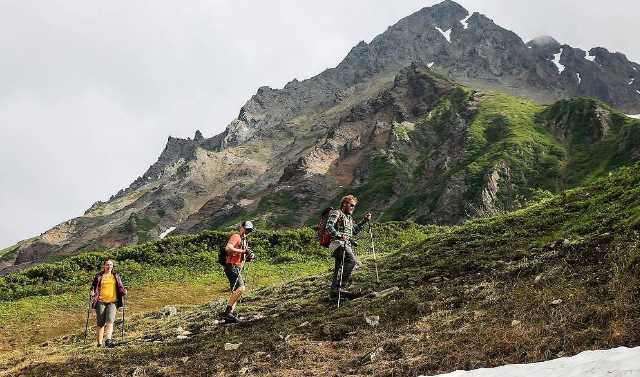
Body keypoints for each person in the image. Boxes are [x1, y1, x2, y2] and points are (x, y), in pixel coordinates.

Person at [326, 195, 372, 301]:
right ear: (344, 204)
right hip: (338, 243)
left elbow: (354, 231)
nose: (353, 208)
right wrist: (339, 236)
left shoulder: (349, 218)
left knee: (339, 268)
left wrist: (364, 221)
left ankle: (334, 295)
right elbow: (329, 226)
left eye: (354, 206)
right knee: (352, 261)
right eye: (351, 205)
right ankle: (340, 288)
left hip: (345, 245)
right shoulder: (337, 213)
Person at [221, 220, 255, 323]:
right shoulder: (236, 236)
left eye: (250, 230)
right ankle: (227, 312)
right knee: (241, 288)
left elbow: (244, 253)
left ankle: (229, 316)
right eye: (247, 229)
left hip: (237, 267)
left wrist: (250, 255)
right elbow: (228, 248)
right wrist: (243, 251)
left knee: (235, 292)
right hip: (232, 265)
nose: (248, 232)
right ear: (243, 227)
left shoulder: (245, 241)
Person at [89, 259, 127, 348]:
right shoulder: (98, 276)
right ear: (104, 266)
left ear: (112, 266)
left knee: (110, 320)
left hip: (113, 302)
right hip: (101, 301)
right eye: (107, 265)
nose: (109, 266)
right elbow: (93, 288)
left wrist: (123, 292)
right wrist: (92, 293)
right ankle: (99, 343)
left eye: (110, 265)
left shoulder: (116, 276)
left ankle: (108, 341)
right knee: (101, 323)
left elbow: (120, 287)